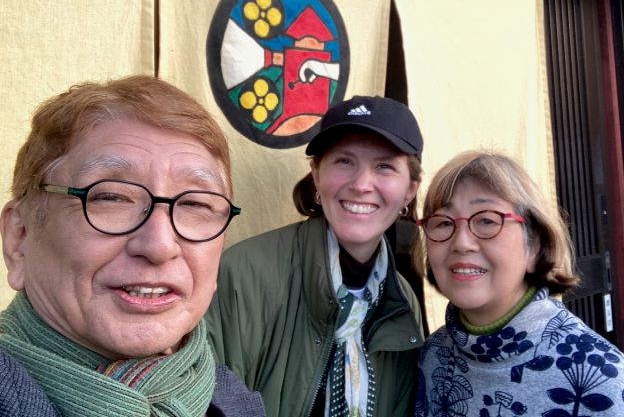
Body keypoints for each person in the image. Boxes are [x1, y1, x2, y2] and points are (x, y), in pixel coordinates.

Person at [0, 76, 265, 417]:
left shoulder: (231, 398)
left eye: (195, 204)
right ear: (19, 238)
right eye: (111, 197)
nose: (159, 245)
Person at [207, 95, 425, 417]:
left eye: (384, 166)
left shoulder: (401, 302)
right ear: (316, 173)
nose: (361, 184)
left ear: (410, 189)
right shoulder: (242, 275)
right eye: (344, 161)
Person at [413, 150, 624, 417]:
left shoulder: (604, 381)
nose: (461, 243)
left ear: (534, 246)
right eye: (443, 223)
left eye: (486, 220)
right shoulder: (432, 355)